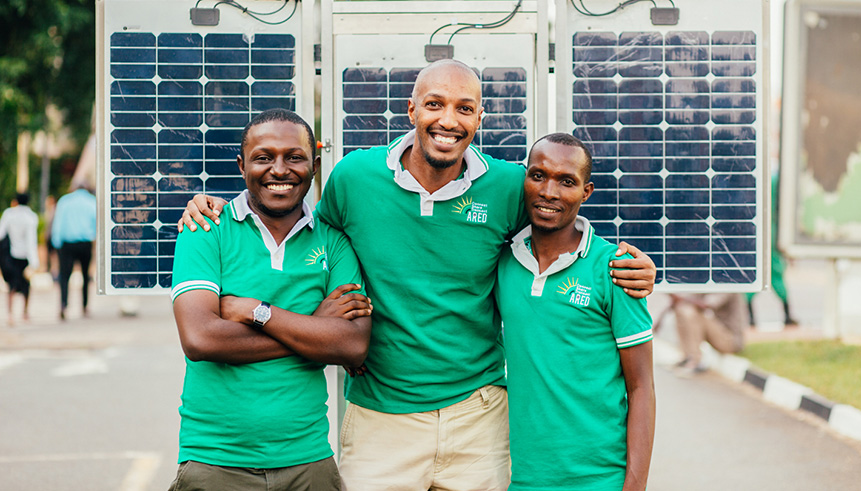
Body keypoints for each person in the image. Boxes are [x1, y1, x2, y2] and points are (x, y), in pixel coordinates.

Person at [180, 60, 657, 490]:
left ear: (479, 120)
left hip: (479, 414)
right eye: (435, 104)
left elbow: (562, 220)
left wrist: (644, 266)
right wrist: (216, 203)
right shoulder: (354, 177)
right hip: (379, 418)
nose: (448, 120)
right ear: (411, 111)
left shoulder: (511, 185)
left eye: (464, 108)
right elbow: (290, 221)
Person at [169, 109, 372, 490]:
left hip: (308, 460)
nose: (279, 169)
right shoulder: (205, 229)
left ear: (313, 165)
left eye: (294, 157)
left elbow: (353, 344)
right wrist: (313, 328)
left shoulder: (334, 241)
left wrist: (254, 311)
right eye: (264, 157)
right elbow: (200, 339)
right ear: (242, 165)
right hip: (215, 461)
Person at [495, 133, 655, 490]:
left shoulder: (616, 269)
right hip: (520, 478)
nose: (549, 192)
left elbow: (641, 386)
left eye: (567, 181)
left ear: (586, 192)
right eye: (538, 175)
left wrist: (635, 485)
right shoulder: (503, 261)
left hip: (599, 479)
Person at [746, 171, 798, 327]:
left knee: (752, 275)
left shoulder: (754, 175)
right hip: (772, 232)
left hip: (755, 231)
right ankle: (787, 315)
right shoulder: (779, 178)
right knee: (776, 274)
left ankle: (750, 317)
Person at [671, 293, 748, 375]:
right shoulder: (709, 285)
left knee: (690, 312)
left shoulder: (728, 286)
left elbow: (706, 305)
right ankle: (687, 357)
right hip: (720, 334)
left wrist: (682, 299)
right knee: (681, 308)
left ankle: (695, 361)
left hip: (732, 340)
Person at [51, 183, 97, 320]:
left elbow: (57, 224)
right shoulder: (91, 201)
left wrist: (56, 243)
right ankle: (84, 306)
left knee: (64, 276)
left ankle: (64, 305)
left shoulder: (64, 201)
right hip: (85, 243)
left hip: (67, 244)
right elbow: (96, 224)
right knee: (85, 275)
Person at [0, 193, 40, 325]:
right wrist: (34, 262)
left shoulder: (8, 214)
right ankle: (25, 312)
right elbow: (31, 241)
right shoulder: (31, 217)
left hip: (11, 255)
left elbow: (1, 233)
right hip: (25, 257)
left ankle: (10, 314)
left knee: (12, 285)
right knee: (26, 286)